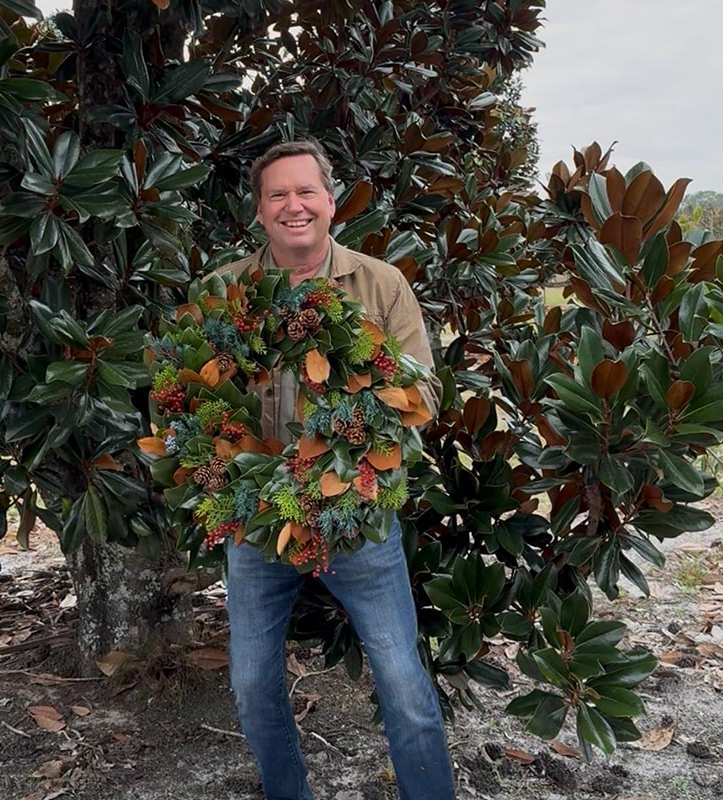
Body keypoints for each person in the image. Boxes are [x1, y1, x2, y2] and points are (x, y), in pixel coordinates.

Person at [219, 140, 456, 800]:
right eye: (277, 194)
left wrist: (362, 407)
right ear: (259, 210)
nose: (293, 205)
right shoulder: (226, 291)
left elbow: (426, 393)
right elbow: (193, 392)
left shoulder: (382, 284)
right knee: (251, 683)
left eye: (306, 191)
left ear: (330, 201)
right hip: (259, 525)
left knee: (402, 682)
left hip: (358, 520)